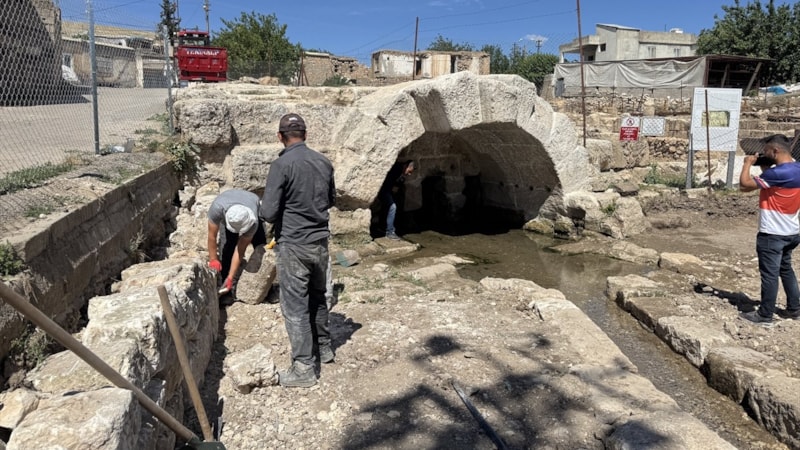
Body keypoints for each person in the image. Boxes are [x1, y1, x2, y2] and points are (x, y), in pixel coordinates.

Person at [260, 113, 336, 388]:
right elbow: (330, 199)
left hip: (294, 244)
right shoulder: (324, 162)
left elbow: (268, 212)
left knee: (295, 306)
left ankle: (303, 368)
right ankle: (324, 349)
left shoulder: (281, 165)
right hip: (320, 242)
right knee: (318, 297)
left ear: (280, 136)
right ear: (305, 134)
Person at [738, 134, 800, 325]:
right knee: (786, 269)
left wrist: (747, 164)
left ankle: (765, 315)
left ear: (775, 150)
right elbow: (776, 185)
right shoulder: (796, 169)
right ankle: (794, 309)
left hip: (772, 234)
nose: (764, 154)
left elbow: (744, 185)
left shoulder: (775, 174)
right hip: (792, 231)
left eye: (766, 151)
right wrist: (766, 168)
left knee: (769, 275)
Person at [207, 189, 266, 296]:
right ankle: (225, 284)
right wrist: (213, 259)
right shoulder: (217, 208)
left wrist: (231, 277)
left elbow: (240, 250)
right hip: (228, 201)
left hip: (251, 202)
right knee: (228, 245)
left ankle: (265, 286)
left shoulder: (253, 221)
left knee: (260, 245)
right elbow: (212, 236)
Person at [378, 160, 415, 240]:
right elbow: (389, 183)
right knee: (392, 207)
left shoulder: (401, 172)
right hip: (383, 189)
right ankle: (390, 232)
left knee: (386, 206)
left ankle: (382, 227)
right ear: (405, 166)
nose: (409, 174)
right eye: (409, 171)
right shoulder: (396, 170)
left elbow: (396, 186)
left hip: (387, 190)